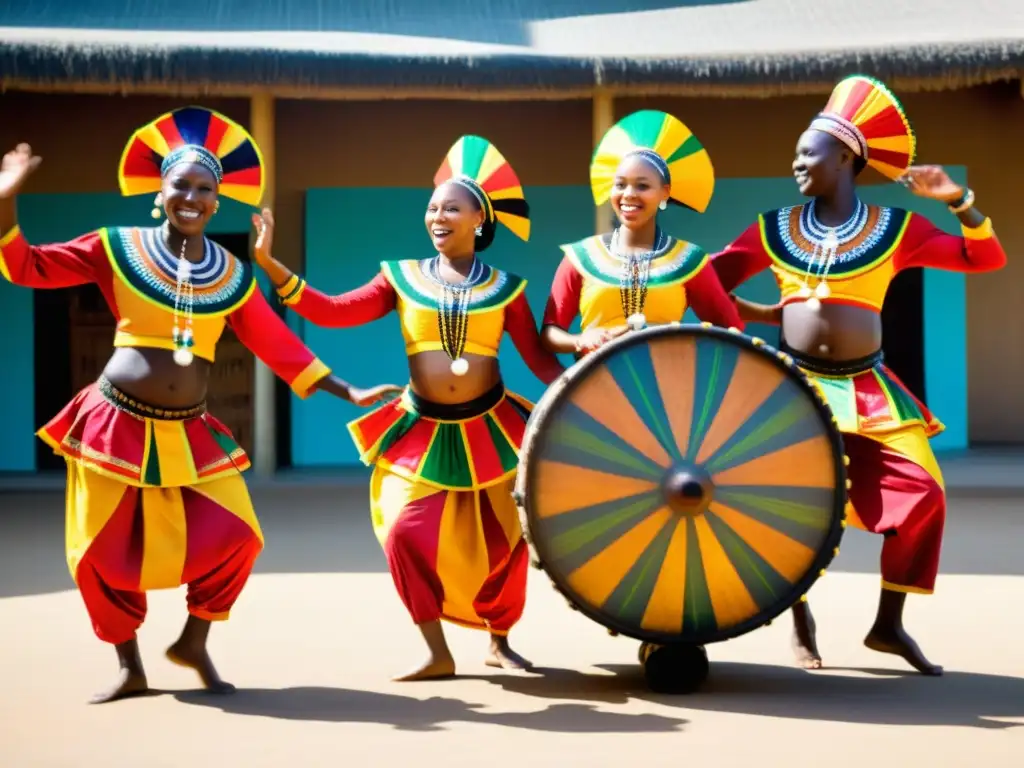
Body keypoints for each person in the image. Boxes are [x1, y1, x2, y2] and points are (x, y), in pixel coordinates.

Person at [0, 107, 399, 704]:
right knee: (100, 552)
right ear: (160, 192)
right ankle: (129, 664)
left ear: (218, 202)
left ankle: (194, 640)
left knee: (239, 536)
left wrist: (349, 390)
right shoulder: (116, 247)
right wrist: (6, 198)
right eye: (180, 184)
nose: (192, 195)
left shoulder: (232, 275)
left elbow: (278, 345)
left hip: (189, 429)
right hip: (114, 423)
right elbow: (24, 266)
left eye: (204, 188)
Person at [710, 75, 1007, 675]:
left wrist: (958, 200)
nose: (795, 161)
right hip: (794, 387)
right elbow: (709, 283)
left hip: (869, 389)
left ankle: (889, 624)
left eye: (807, 151)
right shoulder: (773, 227)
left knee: (923, 493)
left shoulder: (898, 229)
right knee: (787, 501)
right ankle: (798, 616)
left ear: (844, 157)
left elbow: (985, 256)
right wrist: (769, 314)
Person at [250, 135, 565, 681]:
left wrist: (586, 396)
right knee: (403, 532)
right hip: (420, 428)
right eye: (432, 207)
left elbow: (537, 359)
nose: (437, 215)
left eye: (451, 207)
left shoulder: (508, 289)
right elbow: (332, 311)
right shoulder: (400, 277)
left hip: (493, 427)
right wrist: (270, 266)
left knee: (505, 540)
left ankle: (499, 639)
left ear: (479, 220)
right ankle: (435, 649)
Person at [541, 109, 742, 358]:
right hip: (594, 388)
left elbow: (730, 330)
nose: (628, 194)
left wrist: (685, 350)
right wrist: (581, 340)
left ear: (665, 193)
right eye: (620, 184)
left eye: (642, 186)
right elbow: (550, 330)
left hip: (667, 389)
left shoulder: (689, 260)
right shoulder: (581, 257)